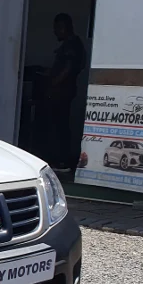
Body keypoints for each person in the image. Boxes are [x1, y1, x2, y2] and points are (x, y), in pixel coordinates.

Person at [40, 13, 86, 173]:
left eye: (57, 28)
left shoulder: (72, 45)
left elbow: (69, 68)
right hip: (62, 90)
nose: (55, 32)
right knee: (58, 125)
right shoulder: (70, 44)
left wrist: (54, 82)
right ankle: (60, 160)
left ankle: (62, 162)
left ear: (63, 27)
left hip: (62, 92)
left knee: (59, 126)